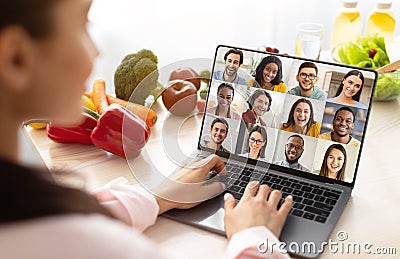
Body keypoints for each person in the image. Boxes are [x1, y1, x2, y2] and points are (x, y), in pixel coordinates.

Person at [0, 0, 294, 258]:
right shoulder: (108, 248)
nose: (95, 50)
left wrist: (156, 197)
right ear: (16, 58)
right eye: (81, 23)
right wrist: (254, 237)